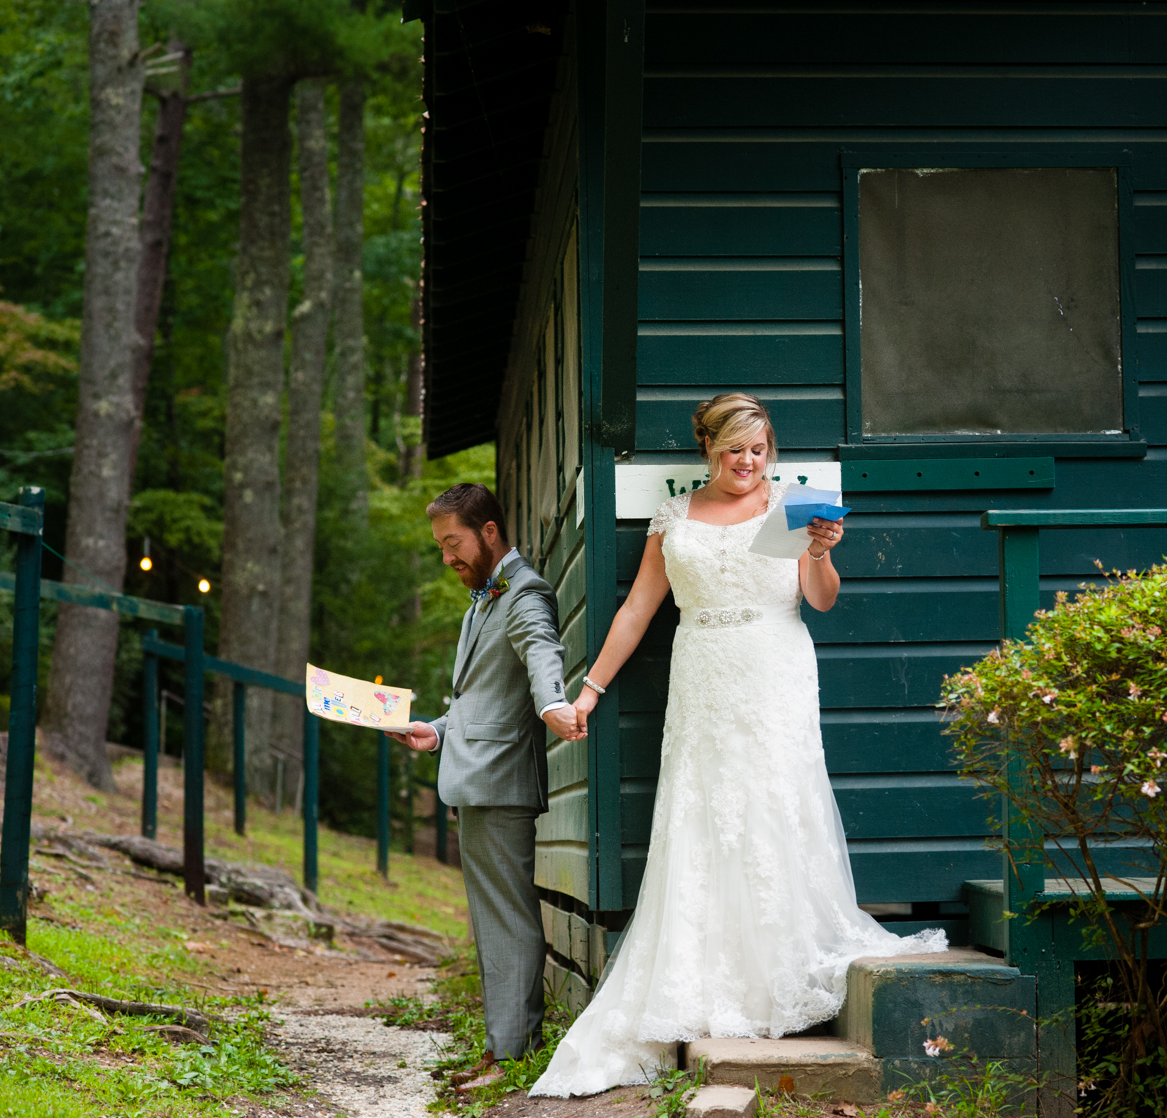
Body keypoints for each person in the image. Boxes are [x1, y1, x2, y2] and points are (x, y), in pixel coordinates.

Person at [530, 392, 946, 1098]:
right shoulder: (674, 518)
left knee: (775, 801)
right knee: (706, 809)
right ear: (709, 450)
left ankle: (779, 975)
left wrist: (819, 552)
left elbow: (820, 599)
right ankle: (713, 976)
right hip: (703, 674)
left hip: (776, 666)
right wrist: (590, 690)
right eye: (734, 452)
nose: (748, 463)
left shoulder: (791, 504)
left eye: (759, 451)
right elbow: (637, 609)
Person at [387, 483, 579, 1093]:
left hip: (500, 785)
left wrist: (553, 703)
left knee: (507, 921)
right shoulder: (480, 600)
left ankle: (511, 1056)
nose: (447, 557)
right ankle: (506, 1046)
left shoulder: (523, 594)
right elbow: (480, 698)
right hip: (476, 777)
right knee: (493, 920)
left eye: (453, 543)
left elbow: (540, 653)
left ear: (489, 531)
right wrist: (436, 731)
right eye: (441, 546)